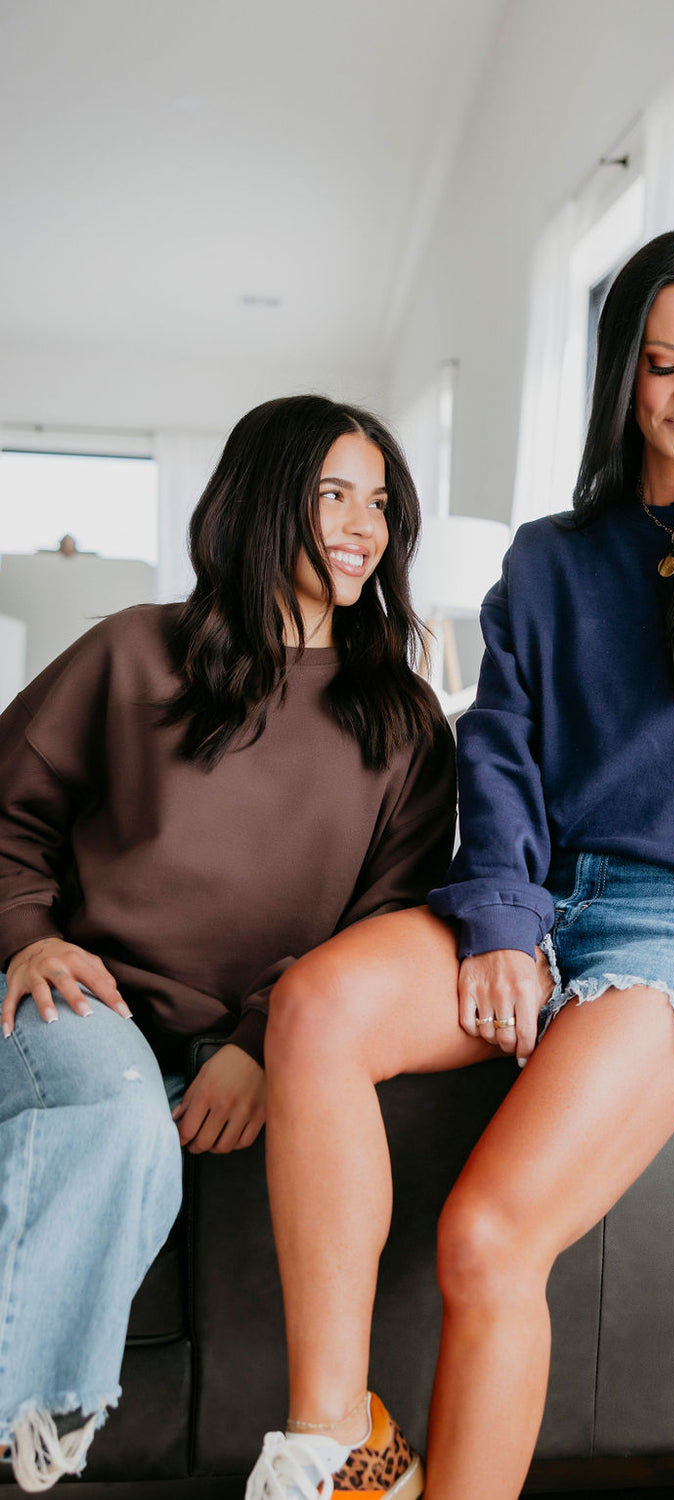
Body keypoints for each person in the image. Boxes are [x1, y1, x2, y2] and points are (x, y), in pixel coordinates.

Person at [246, 231, 674, 1500]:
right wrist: (503, 919)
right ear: (621, 373)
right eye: (663, 364)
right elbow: (497, 752)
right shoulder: (549, 559)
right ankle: (338, 1444)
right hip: (543, 899)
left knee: (486, 1238)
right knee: (315, 1004)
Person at [0, 396, 455, 1492]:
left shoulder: (404, 722)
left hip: (249, 1039)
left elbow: (385, 926)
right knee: (120, 1119)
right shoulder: (131, 652)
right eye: (332, 494)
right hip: (88, 1007)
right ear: (260, 501)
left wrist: (262, 1041)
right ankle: (27, 1422)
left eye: (379, 502)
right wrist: (27, 938)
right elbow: (7, 811)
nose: (362, 525)